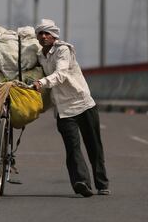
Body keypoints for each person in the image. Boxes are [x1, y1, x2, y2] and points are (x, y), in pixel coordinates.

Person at [32, 19, 110, 197]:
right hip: (63, 109)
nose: (43, 37)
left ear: (54, 35)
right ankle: (82, 182)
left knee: (93, 146)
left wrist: (41, 82)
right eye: (40, 33)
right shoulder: (39, 56)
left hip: (82, 104)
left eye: (47, 33)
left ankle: (102, 183)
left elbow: (61, 74)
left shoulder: (63, 50)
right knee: (72, 148)